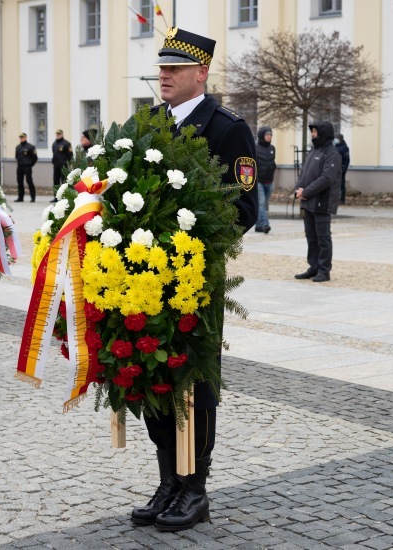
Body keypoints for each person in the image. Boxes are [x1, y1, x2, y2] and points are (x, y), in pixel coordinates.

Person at [130, 27, 258, 532]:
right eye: (161, 67)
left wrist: (186, 244)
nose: (164, 75)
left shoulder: (226, 129)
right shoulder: (144, 123)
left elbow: (242, 207)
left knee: (194, 379)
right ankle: (168, 480)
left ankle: (195, 488)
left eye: (174, 69)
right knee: (150, 374)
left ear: (200, 73)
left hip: (194, 279)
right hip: (140, 278)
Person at [294, 121, 342, 283]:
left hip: (322, 202)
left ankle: (324, 270)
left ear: (323, 133)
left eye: (315, 131)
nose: (312, 134)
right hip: (308, 202)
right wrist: (298, 189)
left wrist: (306, 192)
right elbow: (304, 174)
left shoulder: (332, 153)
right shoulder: (313, 151)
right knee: (311, 237)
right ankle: (313, 267)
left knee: (323, 238)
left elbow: (326, 178)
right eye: (312, 131)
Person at [255, 126, 276, 233]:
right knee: (262, 202)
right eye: (267, 135)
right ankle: (265, 224)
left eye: (271, 135)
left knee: (264, 204)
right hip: (259, 181)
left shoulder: (272, 148)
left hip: (269, 181)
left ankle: (258, 225)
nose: (269, 137)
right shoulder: (255, 148)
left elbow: (272, 163)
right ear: (262, 136)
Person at [15, 133, 38, 202]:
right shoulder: (18, 147)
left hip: (27, 167)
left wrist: (30, 164)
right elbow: (16, 157)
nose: (21, 139)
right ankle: (20, 197)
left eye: (22, 137)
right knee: (20, 182)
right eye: (20, 137)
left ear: (25, 138)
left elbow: (35, 158)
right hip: (20, 166)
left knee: (29, 181)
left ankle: (33, 197)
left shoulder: (30, 147)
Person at [51, 129, 73, 199]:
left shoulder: (66, 143)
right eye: (57, 134)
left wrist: (69, 164)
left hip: (63, 166)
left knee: (64, 182)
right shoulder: (54, 144)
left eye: (59, 134)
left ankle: (64, 196)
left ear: (62, 134)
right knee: (56, 181)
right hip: (56, 166)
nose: (58, 135)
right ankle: (56, 197)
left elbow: (70, 155)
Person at [334, 133, 350, 204]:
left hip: (341, 168)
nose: (335, 140)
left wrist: (344, 169)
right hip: (334, 168)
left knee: (341, 185)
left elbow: (347, 160)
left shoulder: (344, 148)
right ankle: (335, 199)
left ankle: (341, 199)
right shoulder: (334, 146)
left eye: (336, 139)